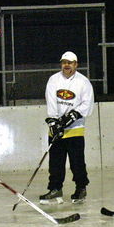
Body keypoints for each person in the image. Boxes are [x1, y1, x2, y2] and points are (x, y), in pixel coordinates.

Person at [40, 51, 94, 204]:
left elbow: (87, 104)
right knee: (55, 162)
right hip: (56, 130)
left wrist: (73, 115)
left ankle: (81, 188)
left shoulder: (83, 82)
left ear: (76, 64)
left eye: (70, 63)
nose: (66, 65)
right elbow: (51, 101)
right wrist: (54, 121)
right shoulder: (53, 80)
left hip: (75, 129)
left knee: (77, 162)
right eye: (64, 62)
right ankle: (55, 188)